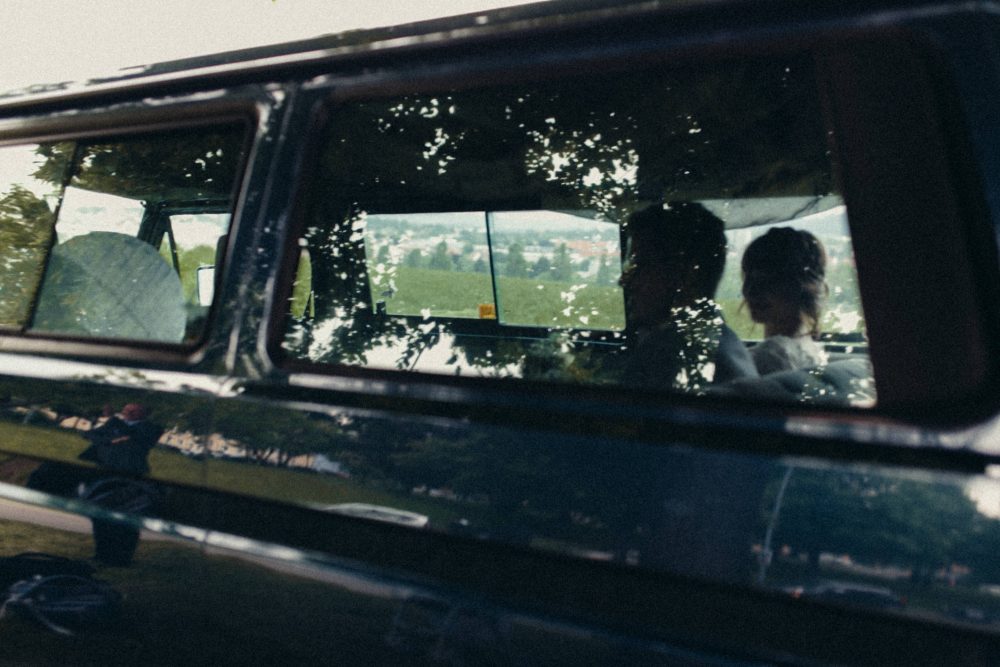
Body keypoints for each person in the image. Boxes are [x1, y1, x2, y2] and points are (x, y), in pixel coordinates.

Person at [619, 202, 758, 391]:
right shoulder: (725, 340)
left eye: (641, 266)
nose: (625, 281)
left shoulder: (664, 354)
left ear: (686, 275)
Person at [740, 227, 829, 375]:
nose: (749, 290)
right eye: (749, 277)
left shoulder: (770, 357)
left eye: (768, 279)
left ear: (801, 286)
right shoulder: (811, 351)